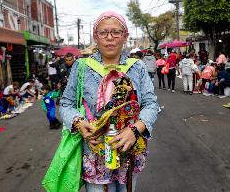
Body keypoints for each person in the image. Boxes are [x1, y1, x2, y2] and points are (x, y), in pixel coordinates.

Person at [59, 11, 158, 192]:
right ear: (95, 37)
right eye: (103, 33)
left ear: (125, 36)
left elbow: (151, 104)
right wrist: (79, 123)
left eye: (116, 32)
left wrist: (135, 129)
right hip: (95, 152)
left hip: (129, 151)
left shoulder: (138, 67)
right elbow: (66, 103)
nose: (109, 38)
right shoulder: (81, 68)